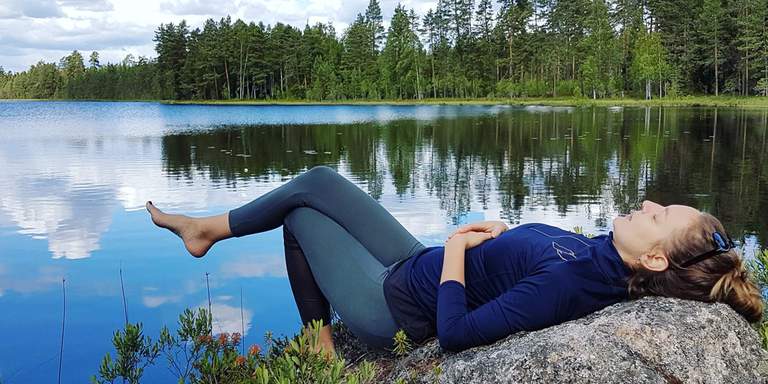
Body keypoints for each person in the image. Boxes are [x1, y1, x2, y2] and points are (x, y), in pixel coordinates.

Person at [146, 165, 764, 355]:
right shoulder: (597, 252)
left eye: (659, 215)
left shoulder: (576, 283)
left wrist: (461, 253)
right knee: (319, 180)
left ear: (655, 260)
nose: (649, 202)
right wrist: (501, 233)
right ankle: (207, 228)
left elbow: (457, 335)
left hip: (392, 304)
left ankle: (322, 339)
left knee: (302, 215)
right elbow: (527, 257)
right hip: (413, 259)